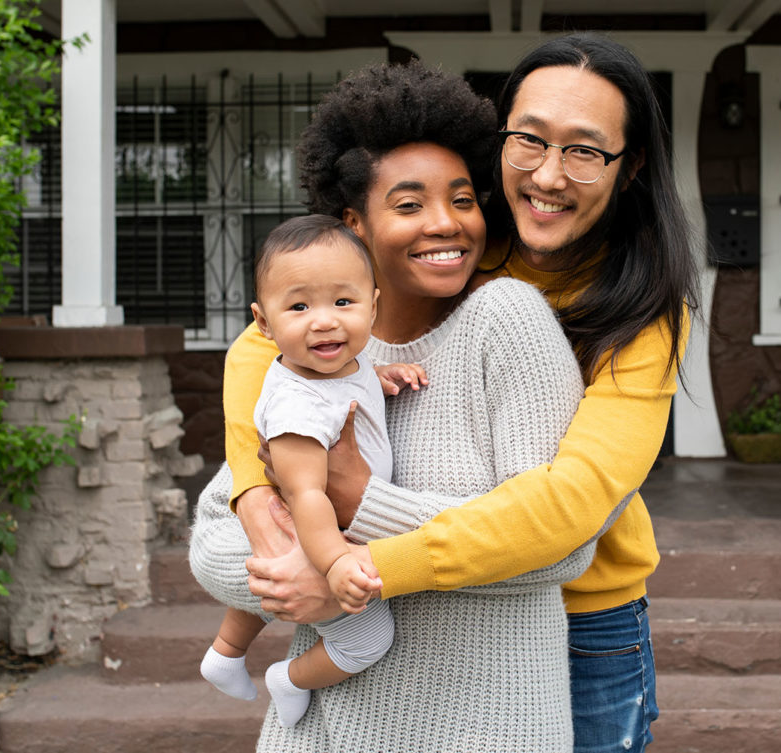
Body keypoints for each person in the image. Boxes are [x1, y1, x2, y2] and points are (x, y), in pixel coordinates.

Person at [289, 33, 698, 753]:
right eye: (528, 141)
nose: (547, 175)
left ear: (629, 166)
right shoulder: (452, 239)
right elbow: (279, 338)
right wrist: (255, 506)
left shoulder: (642, 306)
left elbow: (572, 503)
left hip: (583, 620)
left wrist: (367, 562)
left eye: (585, 150)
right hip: (448, 612)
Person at [189, 60, 596, 751]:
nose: (445, 223)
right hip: (318, 732)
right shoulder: (315, 351)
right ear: (354, 221)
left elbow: (561, 546)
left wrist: (360, 519)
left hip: (488, 730)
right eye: (408, 205)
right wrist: (324, 576)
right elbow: (213, 539)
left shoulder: (507, 321)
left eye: (463, 199)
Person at [199, 215, 425, 727]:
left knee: (269, 582)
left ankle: (224, 652)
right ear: (263, 322)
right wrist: (335, 565)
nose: (324, 321)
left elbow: (352, 381)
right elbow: (306, 496)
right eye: (299, 306)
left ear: (373, 304)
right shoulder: (295, 409)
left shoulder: (341, 361)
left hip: (321, 523)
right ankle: (289, 677)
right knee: (369, 641)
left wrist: (381, 375)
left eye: (342, 302)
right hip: (316, 530)